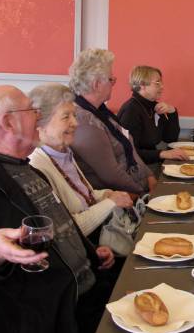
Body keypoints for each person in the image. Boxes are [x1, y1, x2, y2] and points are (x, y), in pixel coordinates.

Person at [0, 86, 118, 333]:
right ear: (8, 122)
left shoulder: (26, 168)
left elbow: (60, 224)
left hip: (87, 292)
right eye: (31, 110)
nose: (38, 115)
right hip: (51, 326)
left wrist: (90, 253)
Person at [28, 83, 134, 239]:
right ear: (40, 124)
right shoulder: (36, 166)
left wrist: (104, 194)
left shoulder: (64, 152)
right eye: (66, 117)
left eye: (74, 115)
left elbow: (83, 198)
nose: (75, 123)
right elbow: (64, 229)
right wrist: (110, 203)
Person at [68, 48, 156, 195]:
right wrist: (143, 192)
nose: (113, 83)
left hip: (135, 188)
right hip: (122, 198)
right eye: (111, 79)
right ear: (96, 84)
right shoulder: (84, 121)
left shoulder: (101, 112)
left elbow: (129, 148)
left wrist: (149, 176)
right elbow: (110, 174)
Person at [117, 65, 189, 166]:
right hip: (139, 169)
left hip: (151, 163)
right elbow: (129, 152)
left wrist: (172, 112)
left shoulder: (154, 106)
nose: (162, 86)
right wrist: (162, 154)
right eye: (157, 83)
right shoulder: (131, 110)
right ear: (142, 85)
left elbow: (170, 138)